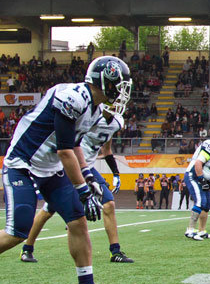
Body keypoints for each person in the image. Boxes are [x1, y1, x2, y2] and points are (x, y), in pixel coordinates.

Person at [0, 55, 131, 284]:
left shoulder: (94, 108)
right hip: (24, 164)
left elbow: (76, 145)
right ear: (104, 81)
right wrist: (82, 190)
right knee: (18, 231)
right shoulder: (74, 97)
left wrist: (89, 174)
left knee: (77, 221)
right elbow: (64, 150)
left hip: (50, 168)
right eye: (119, 84)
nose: (122, 91)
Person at [21, 103, 133, 264]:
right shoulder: (90, 115)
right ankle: (27, 248)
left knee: (108, 203)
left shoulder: (116, 122)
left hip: (89, 168)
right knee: (48, 210)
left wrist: (116, 173)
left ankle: (115, 251)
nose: (117, 104)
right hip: (72, 166)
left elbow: (106, 150)